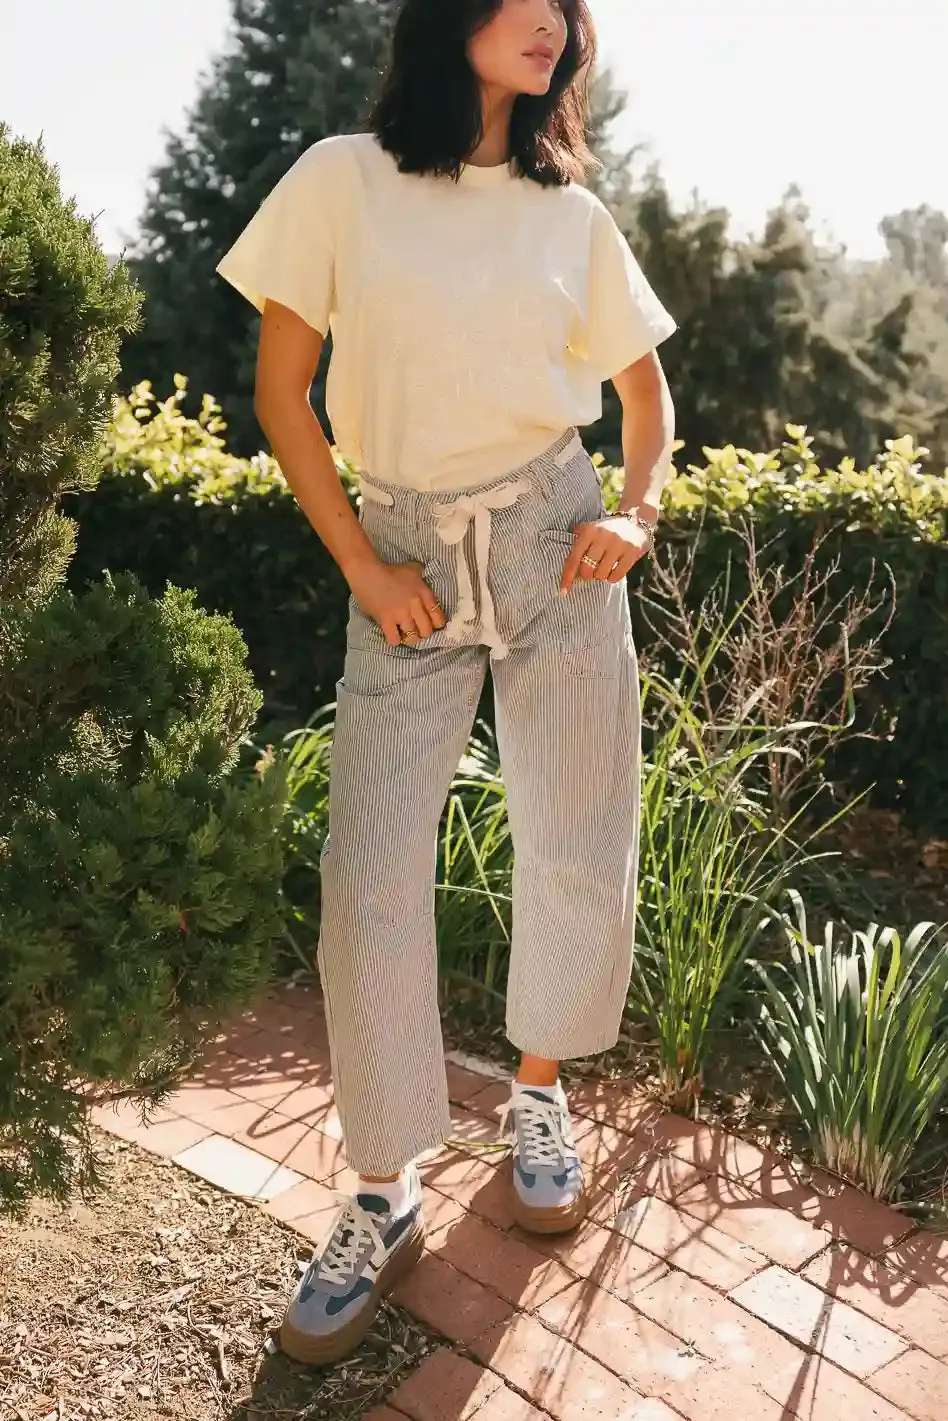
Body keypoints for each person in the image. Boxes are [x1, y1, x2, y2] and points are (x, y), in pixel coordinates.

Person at [217, 0, 676, 1367]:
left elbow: (647, 404)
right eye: (529, 0)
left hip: (554, 543)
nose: (557, 25)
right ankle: (380, 1187)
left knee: (577, 837)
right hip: (405, 553)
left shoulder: (570, 217)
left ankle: (539, 1092)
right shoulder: (337, 178)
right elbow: (283, 396)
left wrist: (635, 517)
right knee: (365, 874)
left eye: (570, 13)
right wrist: (363, 564)